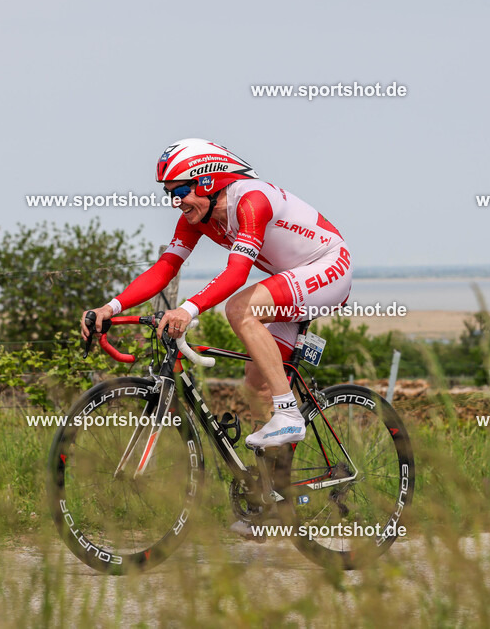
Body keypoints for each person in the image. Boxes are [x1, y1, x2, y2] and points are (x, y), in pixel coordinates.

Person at [80, 139, 352, 449]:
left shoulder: (251, 201)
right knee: (257, 385)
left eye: (181, 191)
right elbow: (165, 268)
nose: (175, 202)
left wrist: (188, 309)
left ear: (208, 181)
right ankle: (275, 491)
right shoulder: (196, 219)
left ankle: (289, 415)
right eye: (169, 193)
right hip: (292, 279)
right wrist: (110, 308)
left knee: (239, 310)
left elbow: (237, 273)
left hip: (329, 266)